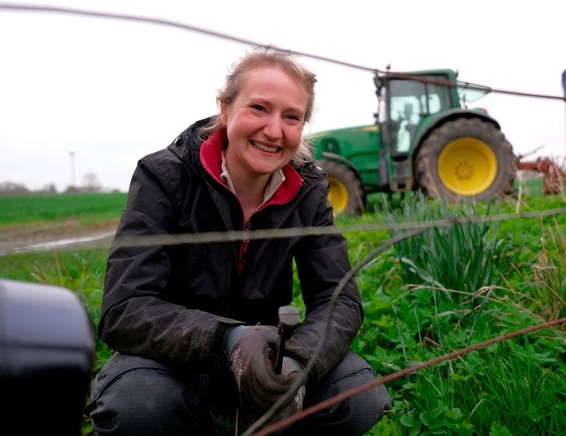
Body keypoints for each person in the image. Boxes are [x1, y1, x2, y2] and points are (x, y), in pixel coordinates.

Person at [85, 48, 391, 435]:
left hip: (266, 357)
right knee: (139, 407)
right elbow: (124, 307)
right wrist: (228, 340)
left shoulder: (308, 190)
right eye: (259, 108)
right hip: (172, 359)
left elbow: (339, 298)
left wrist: (298, 359)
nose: (274, 130)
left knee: (357, 398)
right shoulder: (165, 176)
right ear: (225, 109)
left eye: (291, 117)